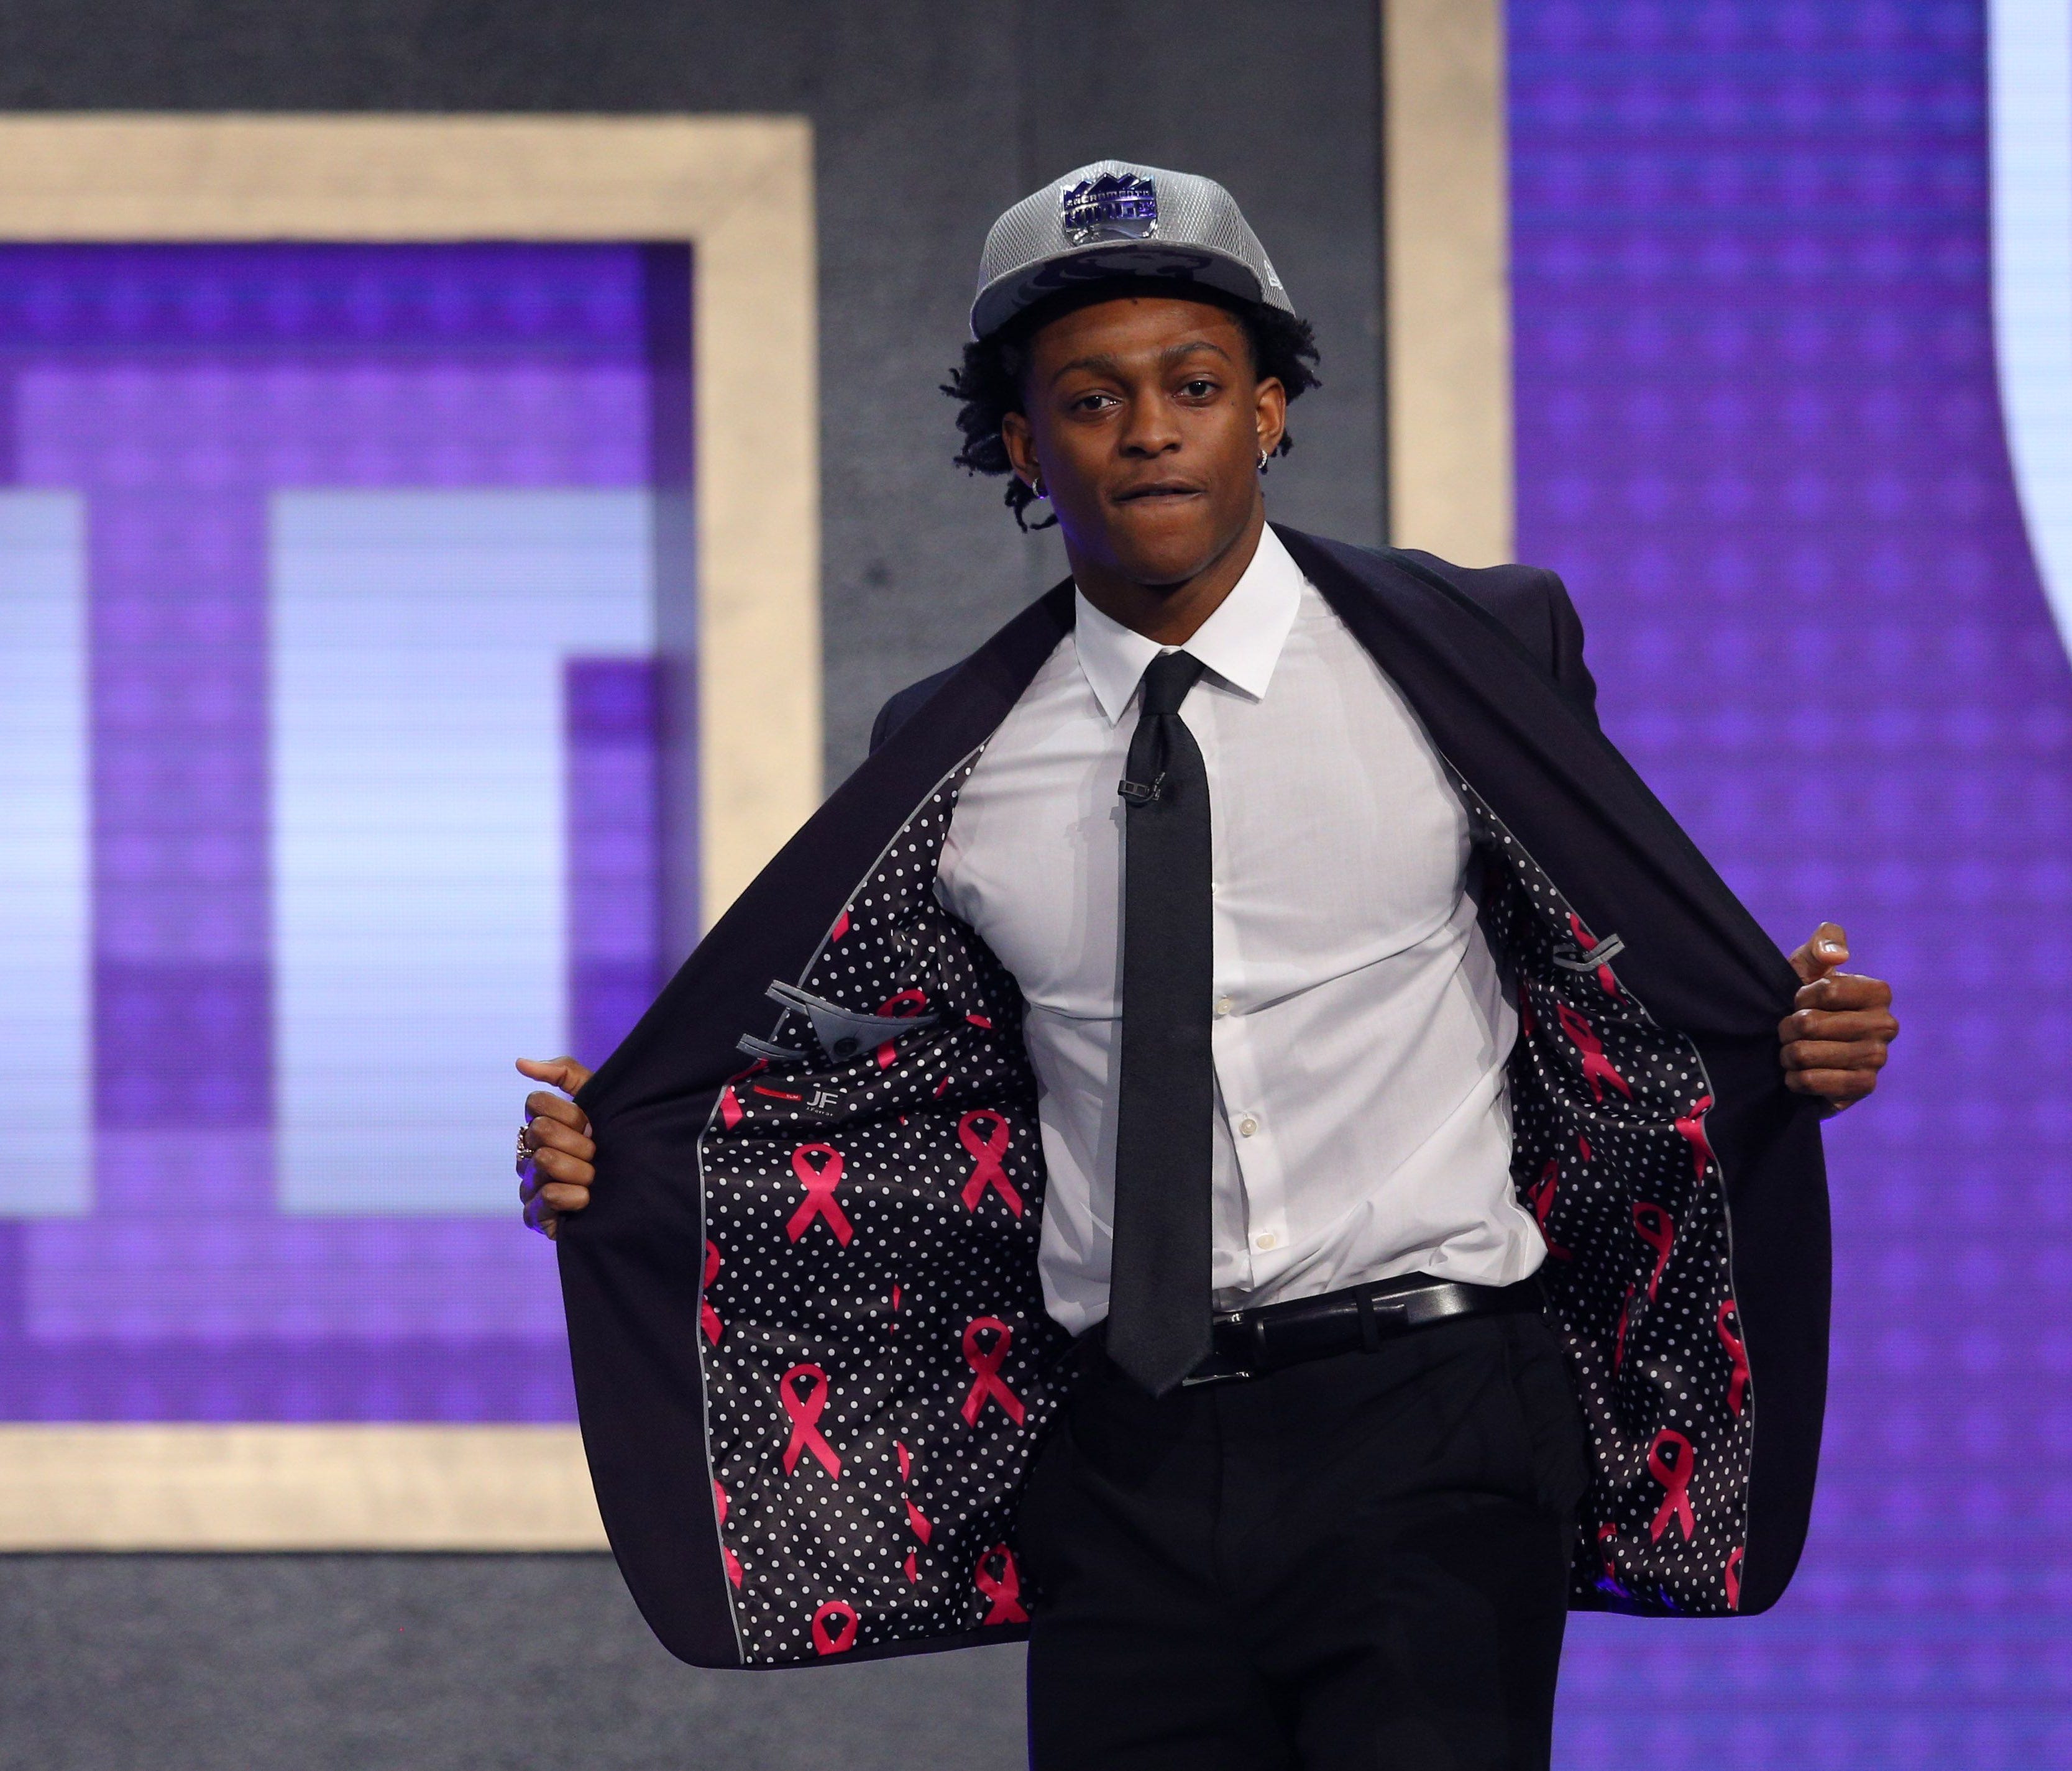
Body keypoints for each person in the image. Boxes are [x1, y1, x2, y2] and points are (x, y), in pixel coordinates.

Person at [514, 163, 1896, 1770]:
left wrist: (1792, 1046)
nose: (1149, 429)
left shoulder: (1476, 655)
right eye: (1092, 399)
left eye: (1195, 384)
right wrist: (622, 1161)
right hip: (1127, 1461)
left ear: (1273, 411)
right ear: (1027, 446)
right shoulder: (950, 761)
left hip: (1435, 1414)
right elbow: (894, 1110)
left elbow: (1614, 978)